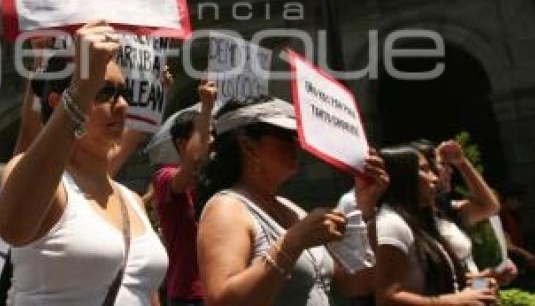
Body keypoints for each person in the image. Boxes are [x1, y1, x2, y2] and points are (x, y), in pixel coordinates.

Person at [0, 22, 168, 305]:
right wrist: (82, 88)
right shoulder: (47, 186)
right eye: (104, 92)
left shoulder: (133, 200)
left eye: (125, 93)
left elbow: (144, 293)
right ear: (58, 100)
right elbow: (13, 227)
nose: (122, 105)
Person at [196, 96, 387, 305]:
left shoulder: (291, 208)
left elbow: (356, 283)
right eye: (285, 136)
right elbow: (221, 301)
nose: (297, 145)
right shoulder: (227, 208)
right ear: (248, 146)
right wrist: (294, 242)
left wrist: (365, 208)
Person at [374, 145, 497, 305]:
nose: (435, 178)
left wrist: (481, 286)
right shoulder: (391, 223)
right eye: (425, 170)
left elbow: (451, 284)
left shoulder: (423, 221)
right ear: (403, 177)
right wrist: (453, 302)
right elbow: (387, 298)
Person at [153, 80, 216, 306]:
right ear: (181, 144)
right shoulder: (165, 177)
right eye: (203, 133)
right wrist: (206, 107)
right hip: (189, 295)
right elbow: (195, 158)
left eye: (211, 133)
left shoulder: (213, 181)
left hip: (219, 290)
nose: (211, 140)